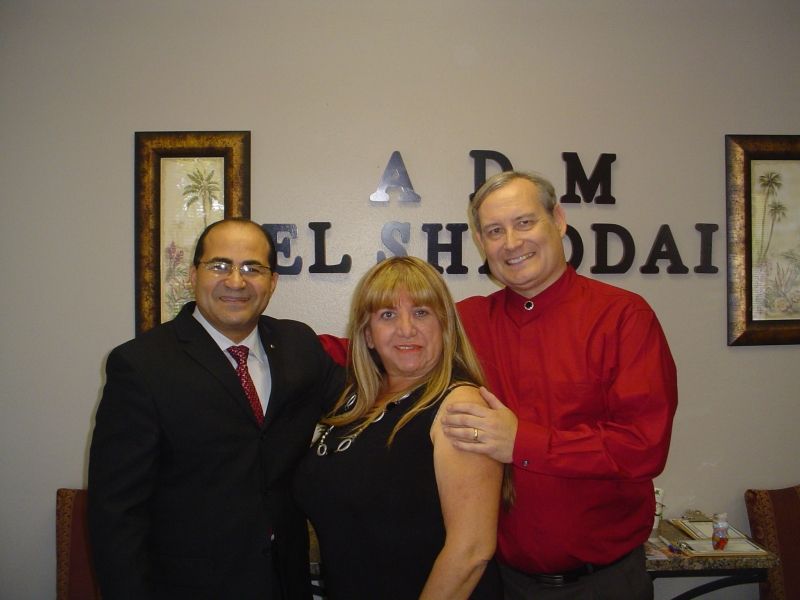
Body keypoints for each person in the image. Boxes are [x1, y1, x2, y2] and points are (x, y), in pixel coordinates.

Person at [440, 171, 678, 599]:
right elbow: (388, 345)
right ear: (480, 242)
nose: (511, 242)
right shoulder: (468, 322)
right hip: (503, 582)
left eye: (524, 222)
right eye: (495, 231)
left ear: (559, 220)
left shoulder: (622, 317)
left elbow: (643, 446)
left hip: (605, 584)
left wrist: (521, 442)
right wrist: (300, 347)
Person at [88, 218, 344, 600]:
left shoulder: (298, 345)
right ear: (193, 275)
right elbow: (116, 514)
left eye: (252, 268)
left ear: (273, 281)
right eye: (220, 265)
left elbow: (362, 405)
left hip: (286, 583)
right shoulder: (141, 365)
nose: (236, 282)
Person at [294, 256, 504, 600]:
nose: (406, 329)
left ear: (445, 326)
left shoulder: (459, 405)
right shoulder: (356, 401)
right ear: (368, 335)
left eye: (421, 312)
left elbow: (471, 552)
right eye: (388, 315)